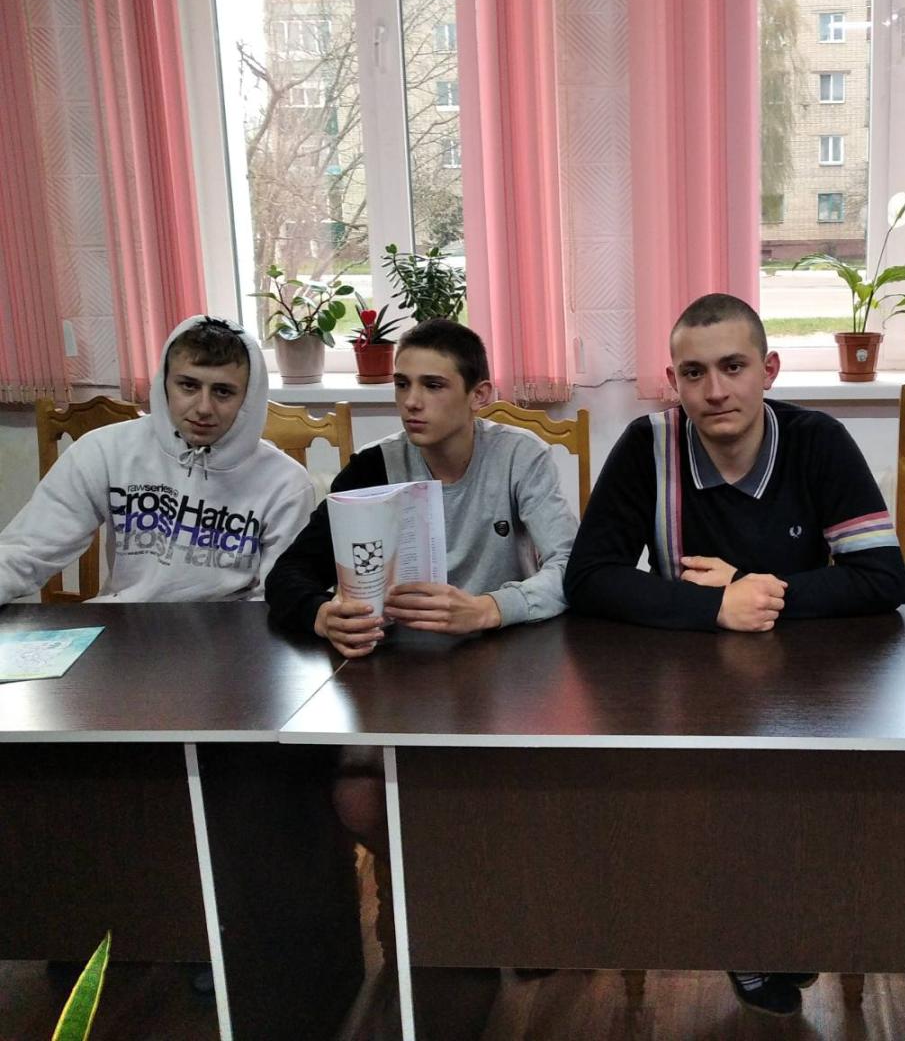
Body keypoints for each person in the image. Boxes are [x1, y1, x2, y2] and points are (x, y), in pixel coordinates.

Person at [564, 292, 905, 1015]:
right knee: (713, 804)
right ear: (673, 380)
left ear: (768, 370)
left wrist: (758, 590)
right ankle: (747, 936)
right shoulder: (648, 445)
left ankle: (785, 926)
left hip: (807, 687)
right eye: (694, 373)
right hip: (689, 686)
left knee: (822, 807)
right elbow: (589, 577)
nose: (715, 390)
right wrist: (715, 606)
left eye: (733, 367)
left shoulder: (817, 441)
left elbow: (883, 577)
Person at [264, 320, 577, 969]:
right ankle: (416, 894)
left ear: (479, 395)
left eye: (433, 386)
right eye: (402, 384)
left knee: (511, 791)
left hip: (501, 666)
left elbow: (572, 569)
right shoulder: (374, 466)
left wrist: (489, 607)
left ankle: (508, 903)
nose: (411, 401)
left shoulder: (519, 457)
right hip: (400, 675)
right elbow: (289, 575)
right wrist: (322, 615)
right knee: (357, 796)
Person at [0, 314, 313, 605]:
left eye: (223, 392)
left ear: (248, 398)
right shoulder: (104, 450)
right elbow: (27, 550)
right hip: (125, 626)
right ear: (164, 384)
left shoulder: (286, 483)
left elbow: (280, 598)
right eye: (188, 386)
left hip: (232, 633)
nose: (204, 408)